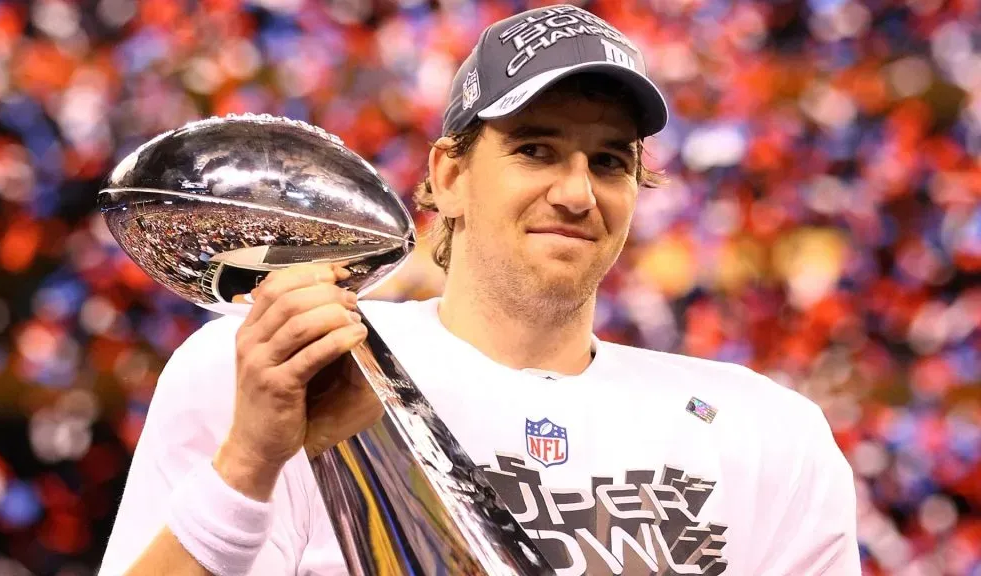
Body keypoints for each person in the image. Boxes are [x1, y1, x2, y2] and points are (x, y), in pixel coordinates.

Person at [99, 5, 860, 575]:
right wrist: (247, 465)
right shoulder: (284, 365)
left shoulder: (768, 433)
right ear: (449, 176)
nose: (576, 192)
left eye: (609, 162)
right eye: (536, 149)